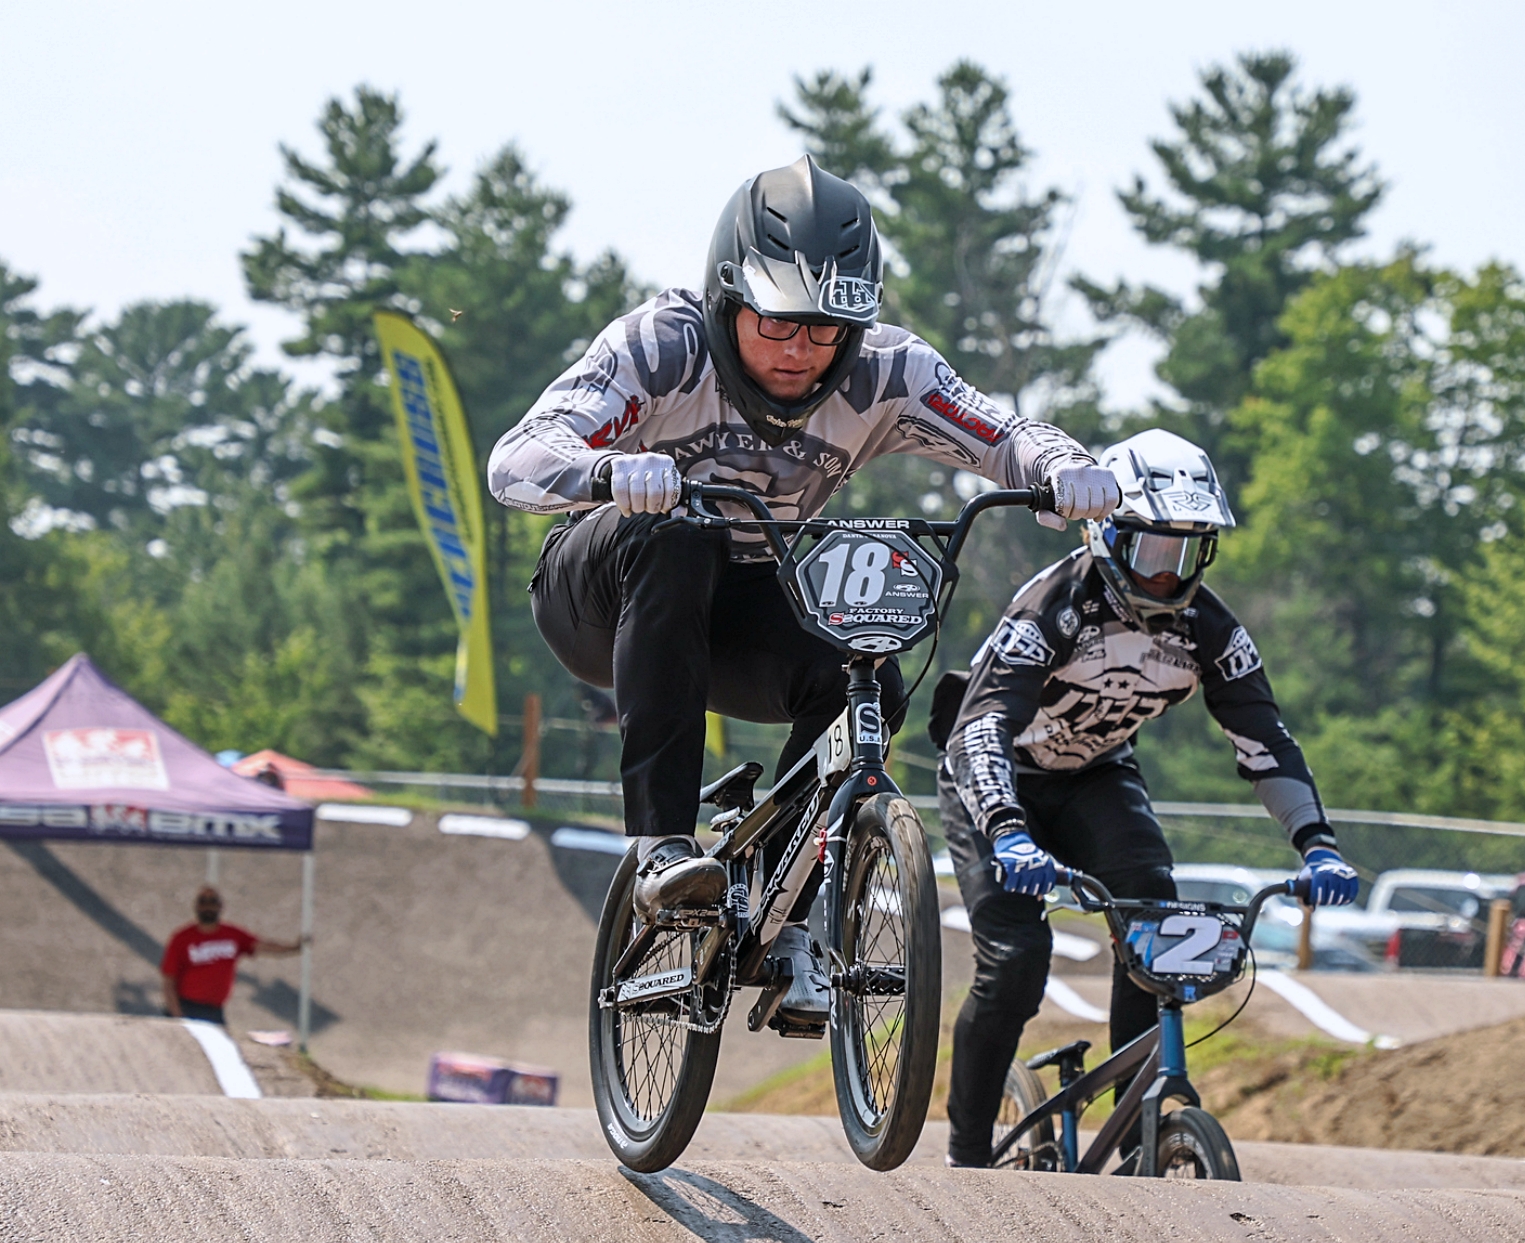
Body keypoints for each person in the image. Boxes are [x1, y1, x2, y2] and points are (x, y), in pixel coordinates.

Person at [488, 156, 1118, 1031]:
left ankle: (777, 908)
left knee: (867, 674)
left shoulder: (885, 374)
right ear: (727, 298)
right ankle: (662, 843)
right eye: (778, 323)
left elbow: (1002, 434)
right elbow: (515, 458)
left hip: (734, 609)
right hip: (601, 596)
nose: (799, 353)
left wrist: (1064, 466)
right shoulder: (664, 345)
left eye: (828, 330)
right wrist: (606, 468)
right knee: (679, 535)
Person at [931, 428, 1360, 1168]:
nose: (1166, 576)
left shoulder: (1211, 629)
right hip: (999, 777)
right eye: (1150, 552)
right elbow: (981, 729)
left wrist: (1316, 841)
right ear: (1106, 534)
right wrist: (1006, 830)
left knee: (1154, 922)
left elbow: (1263, 737)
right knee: (1017, 957)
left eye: (1185, 555)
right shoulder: (1053, 608)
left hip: (1096, 774)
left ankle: (1137, 1133)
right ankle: (967, 1150)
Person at [160, 886, 304, 1026]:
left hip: (214, 1011)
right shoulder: (182, 938)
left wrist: (294, 948)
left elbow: (263, 946)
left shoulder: (232, 935)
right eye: (203, 901)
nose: (208, 906)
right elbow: (168, 981)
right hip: (187, 1007)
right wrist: (178, 1017)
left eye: (212, 901)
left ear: (220, 906)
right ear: (196, 906)